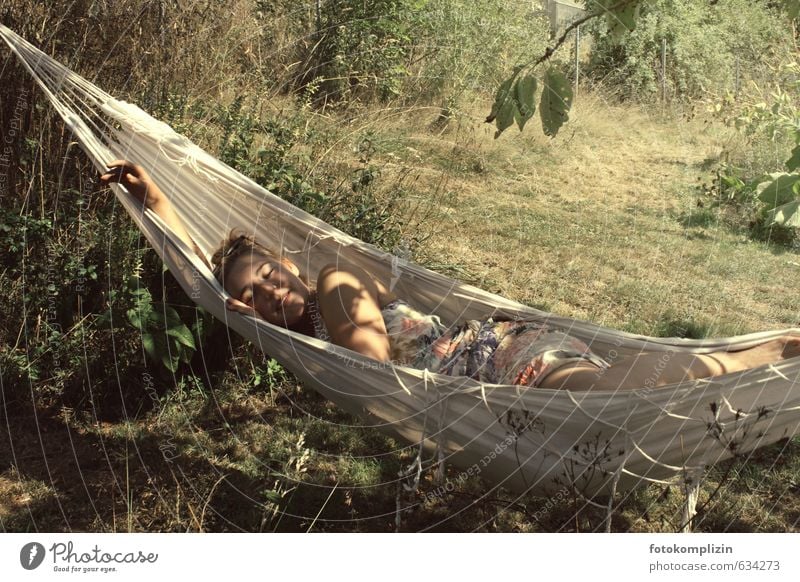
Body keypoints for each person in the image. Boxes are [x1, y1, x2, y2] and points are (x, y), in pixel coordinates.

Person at [100, 160, 800, 391]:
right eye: (250, 294)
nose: (265, 295)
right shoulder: (302, 320)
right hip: (488, 384)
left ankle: (774, 353)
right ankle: (769, 353)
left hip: (504, 358)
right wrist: (159, 202)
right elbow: (205, 272)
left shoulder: (332, 288)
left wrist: (262, 320)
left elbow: (375, 366)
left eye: (268, 279)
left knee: (616, 398)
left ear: (290, 265)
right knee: (626, 393)